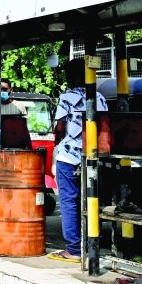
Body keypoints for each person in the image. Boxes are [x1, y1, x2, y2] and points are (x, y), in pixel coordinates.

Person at [48, 59, 107, 262]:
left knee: (69, 202)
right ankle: (93, 243)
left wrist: (58, 137)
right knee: (90, 199)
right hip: (91, 157)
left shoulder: (67, 97)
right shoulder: (99, 97)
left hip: (68, 156)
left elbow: (60, 128)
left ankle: (73, 249)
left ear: (73, 76)